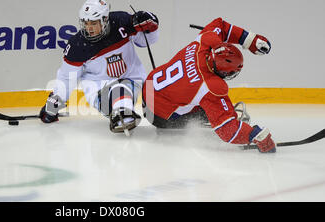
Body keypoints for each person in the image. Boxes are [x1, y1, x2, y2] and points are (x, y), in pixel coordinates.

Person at [142, 17, 276, 153]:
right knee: (213, 109)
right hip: (156, 116)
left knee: (194, 96)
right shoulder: (211, 86)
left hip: (147, 87)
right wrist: (255, 135)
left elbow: (220, 26)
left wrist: (250, 40)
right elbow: (228, 130)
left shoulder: (204, 41)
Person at [38, 0, 159, 134]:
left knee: (156, 86)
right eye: (85, 23)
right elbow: (67, 78)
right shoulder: (77, 46)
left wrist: (151, 27)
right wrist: (55, 101)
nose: (89, 28)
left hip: (132, 79)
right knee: (119, 88)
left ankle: (125, 112)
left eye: (93, 23)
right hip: (100, 90)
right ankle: (122, 113)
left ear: (105, 19)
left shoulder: (121, 21)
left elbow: (145, 41)